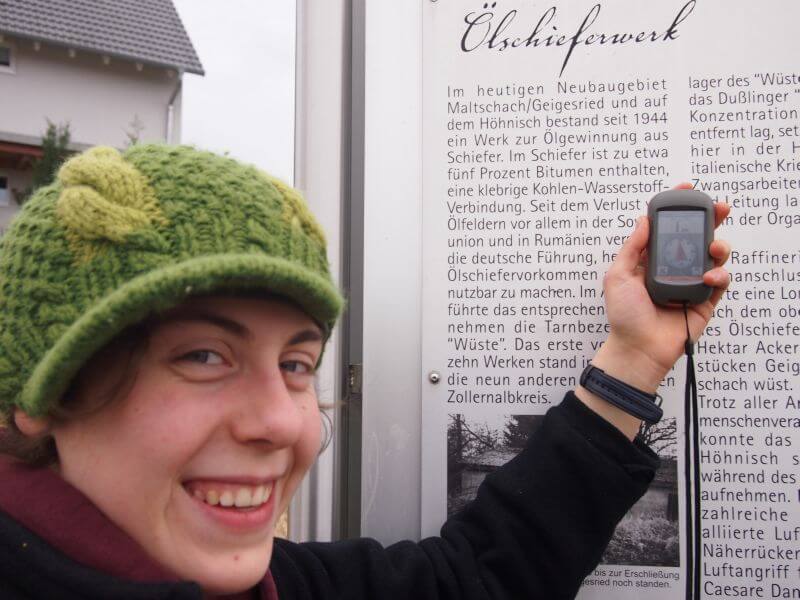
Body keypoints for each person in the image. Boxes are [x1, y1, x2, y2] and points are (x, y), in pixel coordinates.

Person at [0, 144, 731, 599]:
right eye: (203, 356)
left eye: (296, 362)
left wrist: (633, 361)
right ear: (44, 393)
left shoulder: (279, 583)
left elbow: (481, 577)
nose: (287, 422)